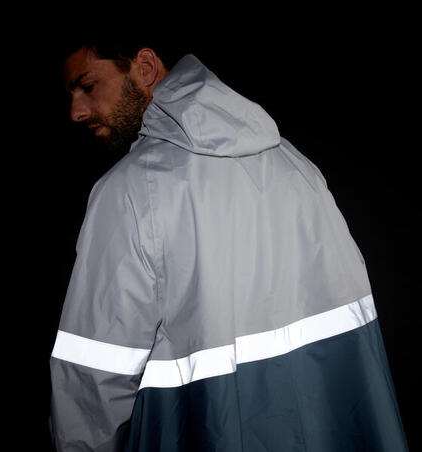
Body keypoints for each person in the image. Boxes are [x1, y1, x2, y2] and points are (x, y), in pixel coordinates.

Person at [49, 36, 409, 451]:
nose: (76, 111)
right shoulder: (294, 164)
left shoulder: (128, 193)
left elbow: (92, 386)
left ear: (145, 67)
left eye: (88, 86)